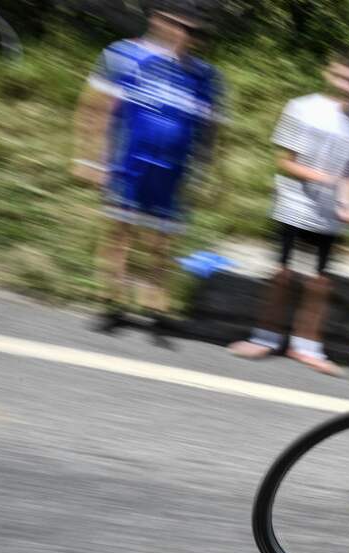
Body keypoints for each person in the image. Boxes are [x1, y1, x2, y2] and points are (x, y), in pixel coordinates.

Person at [228, 49, 349, 375]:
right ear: (329, 73)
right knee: (282, 274)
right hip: (294, 204)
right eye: (344, 78)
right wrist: (329, 179)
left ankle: (307, 346)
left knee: (320, 283)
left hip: (332, 215)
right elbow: (284, 162)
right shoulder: (302, 108)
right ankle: (265, 337)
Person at [72, 0, 223, 332]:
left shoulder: (206, 75)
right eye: (183, 27)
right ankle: (111, 301)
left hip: (173, 169)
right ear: (159, 21)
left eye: (197, 33)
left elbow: (211, 129)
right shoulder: (124, 55)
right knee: (118, 233)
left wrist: (206, 173)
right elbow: (93, 109)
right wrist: (89, 159)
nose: (189, 37)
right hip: (129, 161)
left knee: (161, 242)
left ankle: (156, 305)